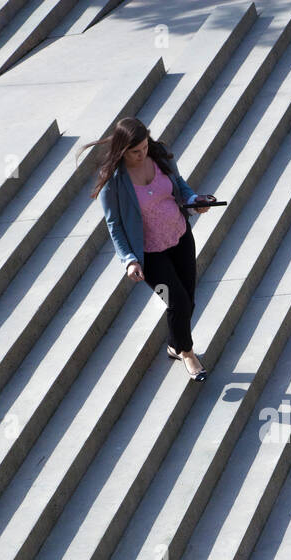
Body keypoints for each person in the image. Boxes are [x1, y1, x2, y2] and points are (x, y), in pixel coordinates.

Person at [85, 117, 216, 382]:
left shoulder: (160, 157)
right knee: (176, 300)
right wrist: (129, 260)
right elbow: (115, 225)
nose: (142, 153)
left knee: (188, 299)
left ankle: (174, 343)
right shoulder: (113, 180)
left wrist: (194, 201)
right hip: (149, 253)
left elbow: (179, 186)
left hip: (180, 237)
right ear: (122, 150)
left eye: (144, 146)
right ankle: (187, 352)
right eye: (135, 151)